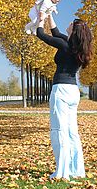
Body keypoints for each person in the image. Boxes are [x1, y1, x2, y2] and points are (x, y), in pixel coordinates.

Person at [36, 10, 93, 180]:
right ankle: (76, 170)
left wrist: (40, 20)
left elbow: (42, 35)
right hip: (73, 92)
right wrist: (48, 14)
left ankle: (62, 172)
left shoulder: (65, 46)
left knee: (59, 130)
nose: (68, 23)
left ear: (74, 30)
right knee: (71, 132)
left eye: (71, 23)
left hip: (60, 90)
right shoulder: (74, 47)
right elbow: (55, 32)